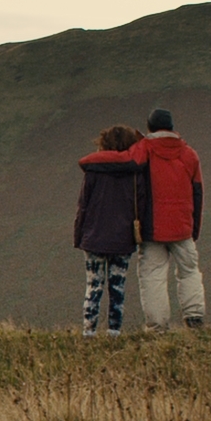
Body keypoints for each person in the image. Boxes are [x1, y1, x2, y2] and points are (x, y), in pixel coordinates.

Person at [129, 107, 204, 331]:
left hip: (152, 228)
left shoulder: (143, 150)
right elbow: (198, 194)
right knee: (189, 270)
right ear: (172, 127)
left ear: (150, 127)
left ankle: (158, 326)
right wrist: (194, 228)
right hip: (182, 227)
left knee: (152, 275)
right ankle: (194, 317)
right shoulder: (189, 154)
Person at [72, 123, 145, 336]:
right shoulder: (135, 173)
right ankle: (114, 332)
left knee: (94, 285)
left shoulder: (93, 171)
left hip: (94, 237)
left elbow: (82, 205)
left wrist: (79, 235)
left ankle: (88, 332)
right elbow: (141, 205)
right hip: (122, 239)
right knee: (117, 288)